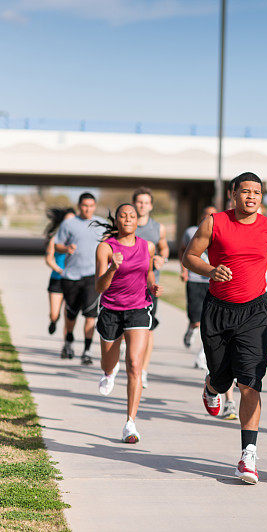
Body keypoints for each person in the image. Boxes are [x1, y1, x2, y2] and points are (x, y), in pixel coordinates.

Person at [182, 172, 267, 485]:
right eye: (245, 192)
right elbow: (188, 257)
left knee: (250, 382)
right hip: (218, 311)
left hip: (256, 311)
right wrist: (211, 270)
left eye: (257, 192)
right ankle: (212, 385)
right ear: (233, 194)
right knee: (223, 375)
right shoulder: (215, 223)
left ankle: (248, 456)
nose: (251, 197)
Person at [93, 203, 161, 443]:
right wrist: (113, 267)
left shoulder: (147, 246)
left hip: (139, 309)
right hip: (111, 310)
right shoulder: (105, 248)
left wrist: (153, 286)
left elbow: (148, 272)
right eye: (123, 215)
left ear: (137, 220)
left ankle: (130, 423)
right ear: (117, 221)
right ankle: (109, 371)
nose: (129, 219)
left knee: (134, 363)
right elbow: (99, 286)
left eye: (132, 215)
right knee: (108, 361)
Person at [180, 205, 237, 420]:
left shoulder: (239, 230)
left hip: (229, 291)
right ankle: (216, 386)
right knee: (199, 322)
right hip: (199, 280)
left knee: (236, 353)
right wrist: (184, 271)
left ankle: (230, 402)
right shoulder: (197, 230)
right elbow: (186, 253)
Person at [55, 192, 106, 365]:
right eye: (85, 206)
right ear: (79, 206)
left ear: (95, 206)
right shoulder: (69, 224)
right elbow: (57, 245)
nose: (88, 209)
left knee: (91, 315)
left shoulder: (102, 224)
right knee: (71, 314)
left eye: (91, 206)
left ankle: (87, 350)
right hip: (71, 276)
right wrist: (66, 248)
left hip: (93, 276)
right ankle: (68, 341)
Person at [133, 187, 169, 389]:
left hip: (149, 285)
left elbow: (164, 248)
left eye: (146, 202)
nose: (142, 206)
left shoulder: (158, 228)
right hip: (127, 285)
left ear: (151, 205)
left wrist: (162, 258)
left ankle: (143, 370)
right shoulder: (126, 223)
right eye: (139, 202)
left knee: (148, 328)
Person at [44, 207, 75, 335]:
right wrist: (59, 270)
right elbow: (49, 259)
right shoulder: (55, 238)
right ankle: (53, 320)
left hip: (73, 280)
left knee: (69, 315)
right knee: (54, 314)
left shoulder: (79, 239)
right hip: (57, 278)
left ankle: (67, 343)